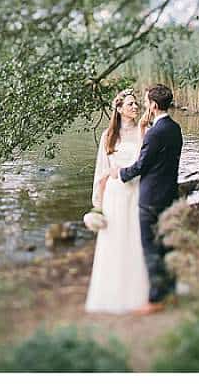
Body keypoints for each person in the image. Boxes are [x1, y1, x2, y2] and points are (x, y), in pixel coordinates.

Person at [109, 84, 183, 315]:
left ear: (152, 105)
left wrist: (119, 174)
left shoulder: (155, 132)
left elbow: (142, 165)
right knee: (166, 244)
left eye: (145, 101)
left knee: (151, 248)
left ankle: (155, 299)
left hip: (151, 197)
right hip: (169, 193)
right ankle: (170, 291)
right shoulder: (175, 128)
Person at [84, 88, 150, 314]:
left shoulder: (144, 132)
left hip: (136, 191)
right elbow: (101, 171)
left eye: (135, 104)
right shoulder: (108, 136)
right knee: (114, 238)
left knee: (135, 238)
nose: (135, 107)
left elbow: (145, 164)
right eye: (130, 104)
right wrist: (98, 204)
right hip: (114, 194)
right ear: (119, 109)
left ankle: (139, 290)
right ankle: (112, 289)